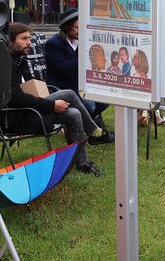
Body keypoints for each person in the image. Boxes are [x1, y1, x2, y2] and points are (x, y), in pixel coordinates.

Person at [7, 23, 105, 176]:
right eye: (24, 39)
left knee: (73, 114)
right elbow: (15, 97)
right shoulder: (6, 63)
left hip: (31, 109)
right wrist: (51, 104)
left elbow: (29, 86)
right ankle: (93, 130)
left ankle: (82, 163)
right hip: (18, 116)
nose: (29, 42)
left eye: (29, 38)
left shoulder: (19, 59)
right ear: (10, 41)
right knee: (69, 94)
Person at [44, 9, 113, 144]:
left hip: (80, 84)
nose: (81, 31)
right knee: (90, 105)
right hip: (62, 87)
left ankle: (90, 128)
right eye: (77, 27)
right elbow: (64, 68)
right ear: (67, 27)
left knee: (104, 101)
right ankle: (92, 133)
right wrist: (85, 53)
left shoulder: (79, 42)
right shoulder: (54, 44)